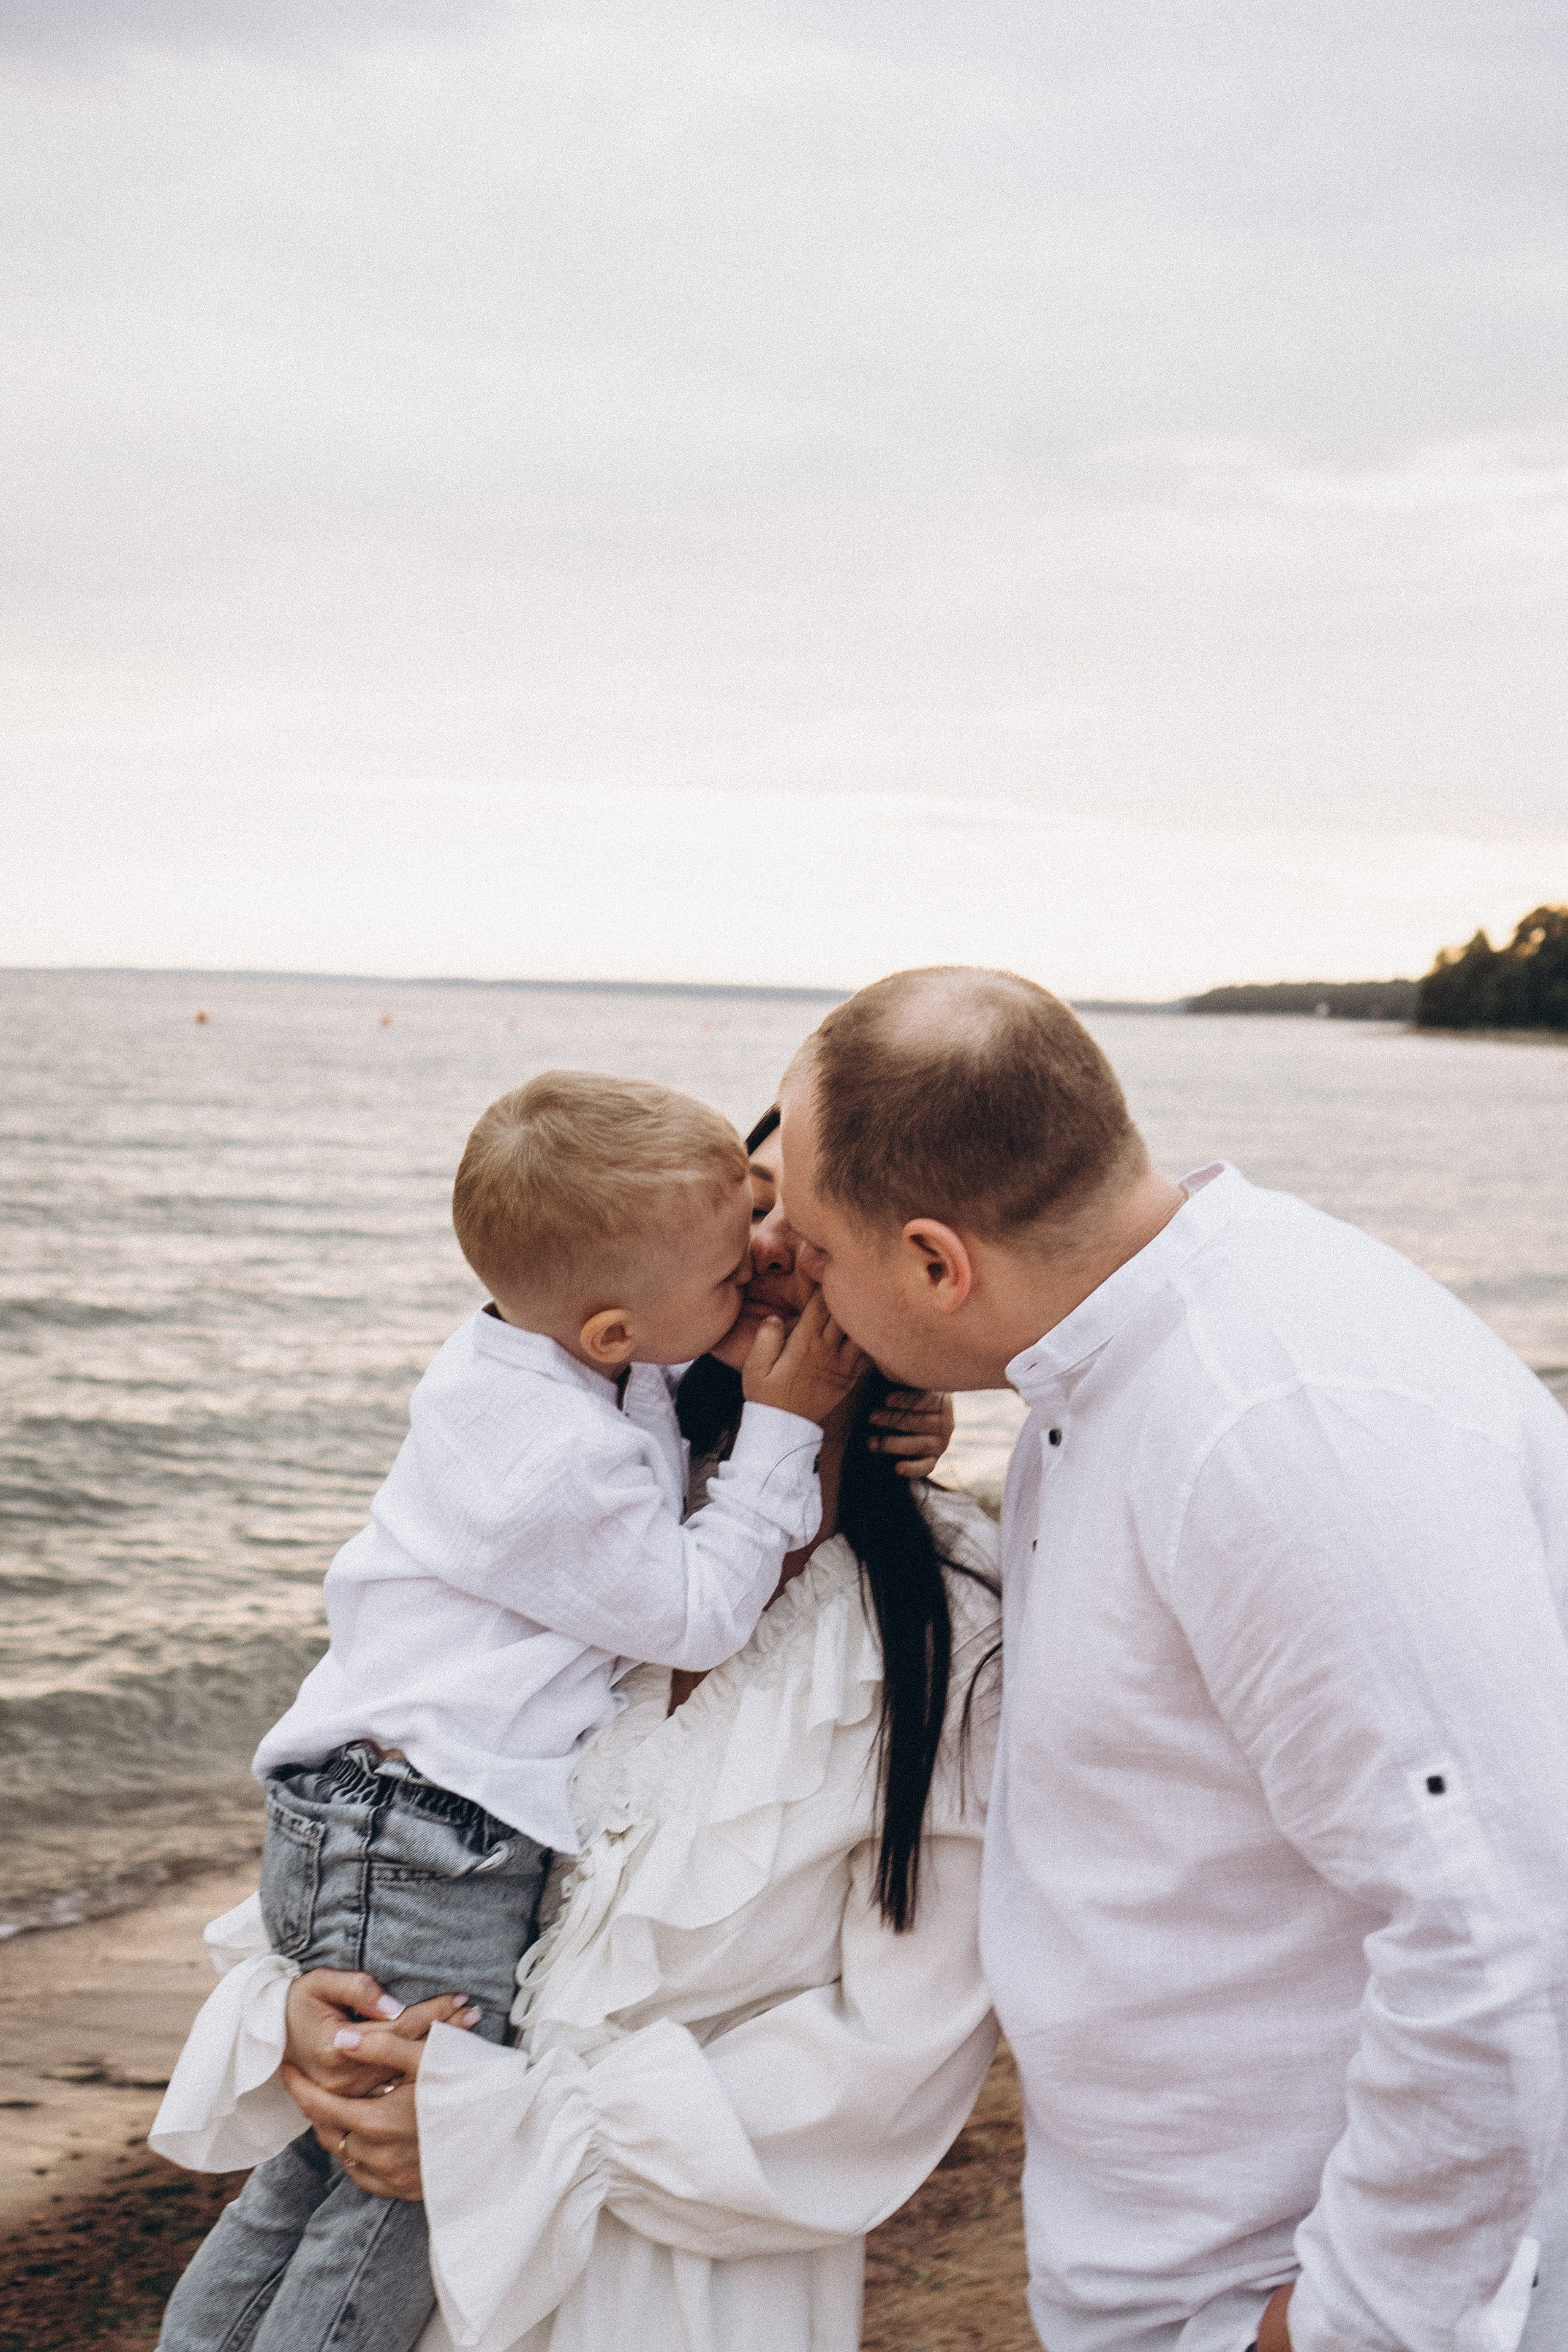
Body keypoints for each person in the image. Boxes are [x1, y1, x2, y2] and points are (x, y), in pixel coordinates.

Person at [774, 964, 1568, 2352]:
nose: (808, 1292)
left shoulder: (1273, 1428)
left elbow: (1501, 1931)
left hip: (1289, 2291)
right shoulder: (1110, 1367)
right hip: (1175, 2268)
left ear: (932, 1263)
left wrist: (1347, 2323)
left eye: (819, 1253)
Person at [151, 1107, 1001, 2352]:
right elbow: (394, 1796)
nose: (766, 1246)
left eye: (811, 1230)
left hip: (655, 2292)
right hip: (415, 2250)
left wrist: (522, 2131)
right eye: (748, 1203)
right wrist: (288, 2010)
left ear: (925, 1272)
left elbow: (896, 2059)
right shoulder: (595, 1504)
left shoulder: (951, 1630)